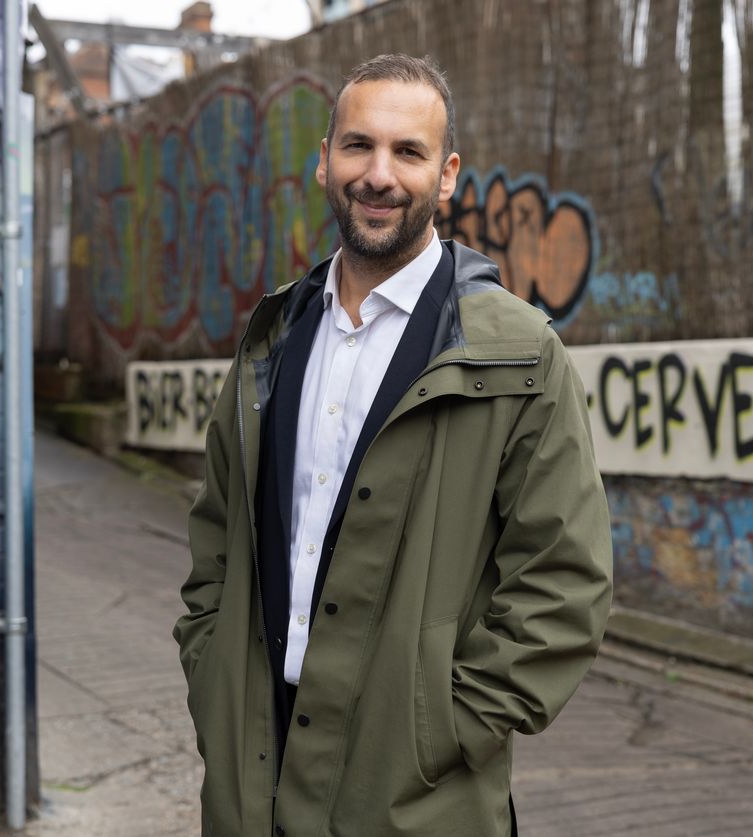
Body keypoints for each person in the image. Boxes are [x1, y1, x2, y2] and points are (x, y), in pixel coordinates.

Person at [174, 53, 612, 837]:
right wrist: (214, 681)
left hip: (412, 800)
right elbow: (214, 543)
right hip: (252, 783)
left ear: (445, 177)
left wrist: (440, 732)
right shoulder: (271, 340)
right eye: (357, 146)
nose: (378, 175)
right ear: (323, 162)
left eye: (407, 153)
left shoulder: (517, 356)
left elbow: (565, 583)